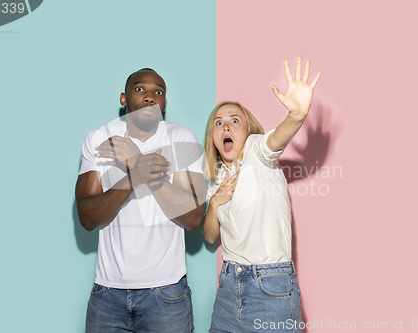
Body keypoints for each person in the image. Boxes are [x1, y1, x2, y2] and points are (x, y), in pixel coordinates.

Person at [75, 68, 206, 333]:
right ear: (123, 99)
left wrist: (137, 163)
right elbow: (87, 217)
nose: (150, 97)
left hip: (167, 294)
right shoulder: (100, 139)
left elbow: (192, 218)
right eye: (140, 89)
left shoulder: (181, 138)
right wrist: (132, 177)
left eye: (159, 92)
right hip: (107, 294)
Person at [202, 57, 321, 333]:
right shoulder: (216, 175)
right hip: (229, 287)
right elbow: (209, 236)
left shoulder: (257, 151)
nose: (227, 127)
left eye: (235, 120)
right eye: (219, 123)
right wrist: (216, 202)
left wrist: (296, 116)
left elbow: (277, 138)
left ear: (248, 130)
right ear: (213, 136)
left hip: (271, 287)